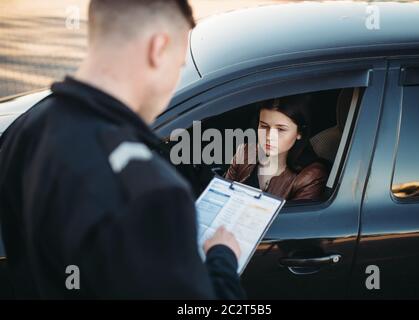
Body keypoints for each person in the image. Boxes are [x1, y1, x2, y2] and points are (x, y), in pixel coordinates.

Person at [0, 0, 244, 299]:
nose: (173, 83)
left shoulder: (24, 128)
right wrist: (222, 257)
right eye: (179, 66)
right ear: (158, 48)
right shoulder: (154, 194)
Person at [225, 96, 328, 201]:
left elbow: (294, 217)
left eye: (280, 129)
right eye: (264, 126)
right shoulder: (245, 152)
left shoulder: (310, 176)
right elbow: (222, 196)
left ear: (299, 133)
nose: (269, 136)